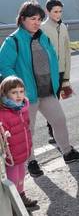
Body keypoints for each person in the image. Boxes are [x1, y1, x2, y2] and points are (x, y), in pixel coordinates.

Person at [0, 0, 79, 177]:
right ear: (22, 19)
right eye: (33, 19)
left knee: (59, 120)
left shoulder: (43, 37)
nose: (37, 22)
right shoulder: (13, 41)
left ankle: (67, 152)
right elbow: (4, 66)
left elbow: (53, 60)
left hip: (47, 91)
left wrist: (58, 83)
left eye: (39, 19)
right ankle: (31, 162)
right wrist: (18, 86)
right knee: (27, 130)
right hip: (26, 95)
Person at [0, 76, 37, 209]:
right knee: (13, 178)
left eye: (21, 91)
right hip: (11, 155)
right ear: (5, 93)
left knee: (21, 175)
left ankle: (21, 196)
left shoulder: (23, 108)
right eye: (14, 92)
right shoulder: (3, 113)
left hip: (22, 151)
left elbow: (26, 128)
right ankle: (12, 204)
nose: (19, 95)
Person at [41, 0, 72, 145]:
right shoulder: (42, 28)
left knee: (56, 101)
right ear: (47, 11)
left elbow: (67, 52)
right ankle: (52, 131)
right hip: (47, 72)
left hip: (60, 71)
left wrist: (66, 76)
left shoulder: (64, 27)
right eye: (55, 11)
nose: (58, 14)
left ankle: (55, 131)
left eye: (60, 11)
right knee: (50, 102)